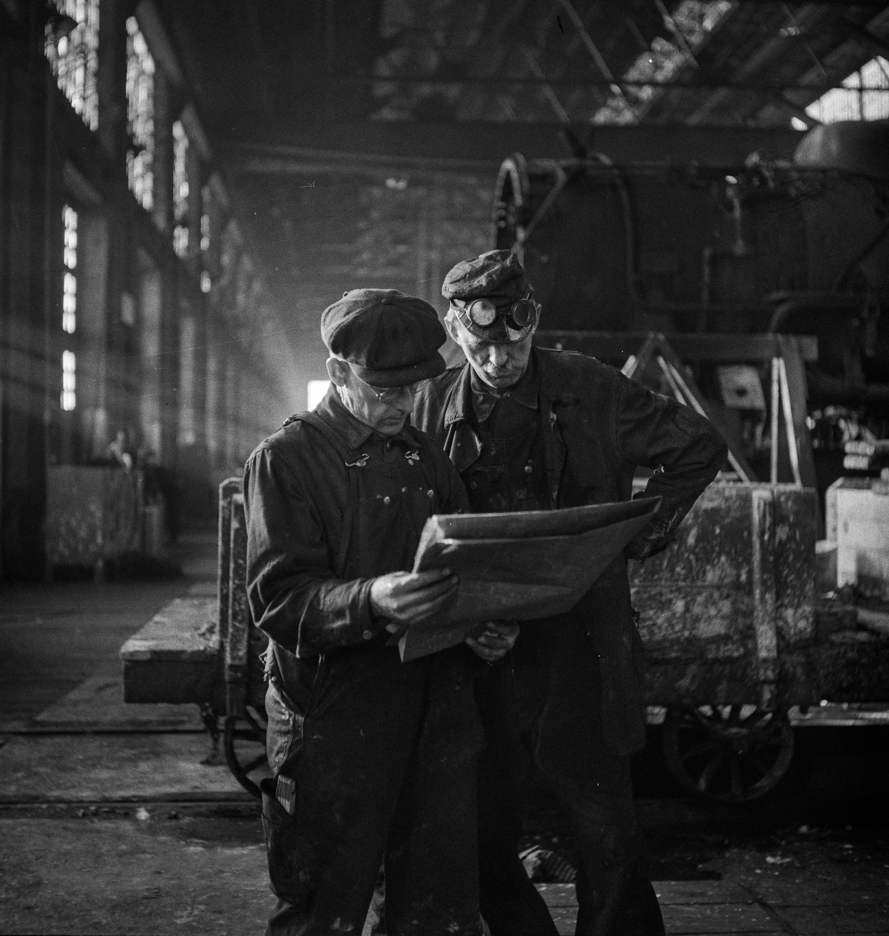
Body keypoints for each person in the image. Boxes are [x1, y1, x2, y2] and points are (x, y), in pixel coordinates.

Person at [411, 250, 728, 936]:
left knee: (604, 821)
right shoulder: (428, 408)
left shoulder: (591, 389)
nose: (497, 361)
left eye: (512, 342)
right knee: (479, 819)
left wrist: (642, 530)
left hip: (578, 641)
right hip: (477, 647)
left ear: (533, 323)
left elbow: (698, 446)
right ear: (453, 329)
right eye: (479, 345)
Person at [244, 287, 517, 936]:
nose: (401, 404)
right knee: (323, 907)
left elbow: (463, 567)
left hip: (431, 708)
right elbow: (278, 600)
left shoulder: (427, 460)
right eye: (384, 390)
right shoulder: (286, 462)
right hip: (332, 713)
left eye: (412, 389)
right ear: (338, 374)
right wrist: (371, 598)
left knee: (434, 905)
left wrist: (486, 623)